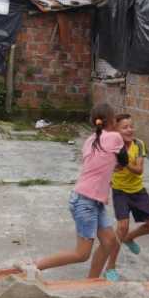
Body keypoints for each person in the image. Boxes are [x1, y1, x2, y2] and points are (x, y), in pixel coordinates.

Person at [28, 103, 128, 279]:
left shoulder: (90, 140)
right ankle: (34, 267)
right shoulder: (115, 138)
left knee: (109, 241)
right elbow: (124, 162)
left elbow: (103, 162)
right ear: (112, 121)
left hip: (90, 200)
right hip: (85, 202)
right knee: (81, 254)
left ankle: (92, 281)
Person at [104, 114, 149, 282]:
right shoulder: (113, 147)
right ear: (116, 131)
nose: (129, 129)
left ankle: (130, 238)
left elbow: (139, 170)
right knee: (121, 227)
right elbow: (105, 169)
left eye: (131, 126)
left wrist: (124, 163)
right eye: (125, 127)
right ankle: (110, 267)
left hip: (138, 191)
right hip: (120, 192)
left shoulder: (138, 144)